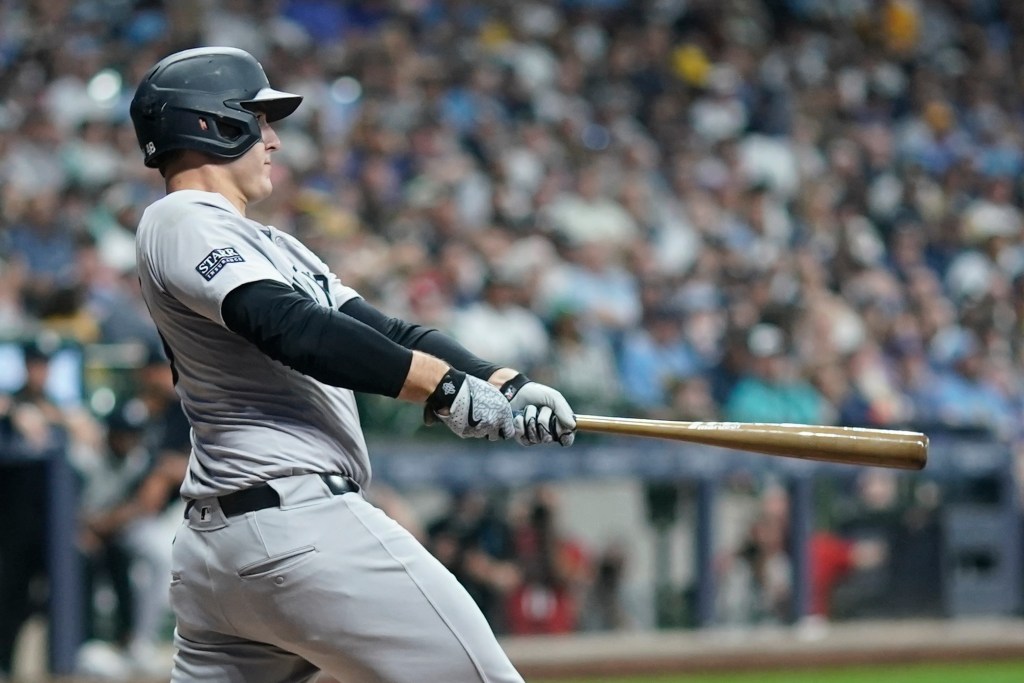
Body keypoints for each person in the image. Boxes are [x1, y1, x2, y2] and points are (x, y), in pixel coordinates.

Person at [129, 46, 576, 683]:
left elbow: (385, 330)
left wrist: (501, 381)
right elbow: (290, 329)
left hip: (229, 548)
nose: (273, 140)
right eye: (258, 120)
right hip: (297, 527)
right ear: (209, 124)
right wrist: (444, 389)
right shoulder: (179, 218)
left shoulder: (272, 244)